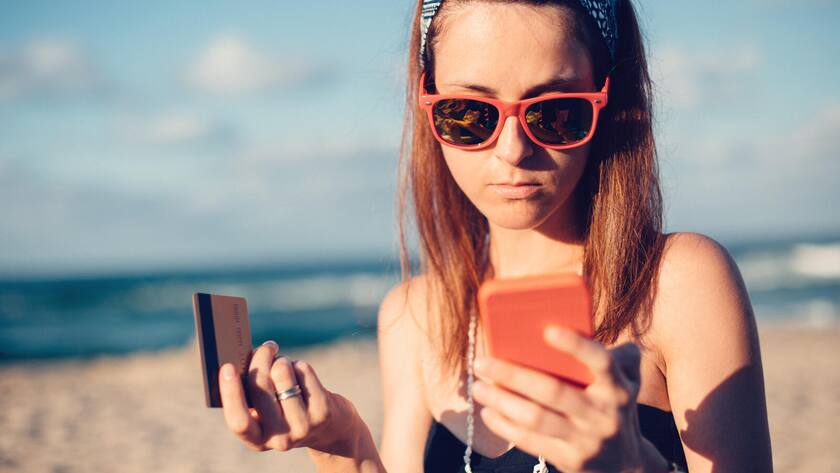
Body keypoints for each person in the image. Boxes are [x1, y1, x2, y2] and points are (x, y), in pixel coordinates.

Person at [216, 0, 774, 471]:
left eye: (556, 113)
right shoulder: (415, 315)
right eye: (470, 114)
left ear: (608, 103)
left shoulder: (676, 282)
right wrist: (343, 444)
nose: (513, 150)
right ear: (427, 104)